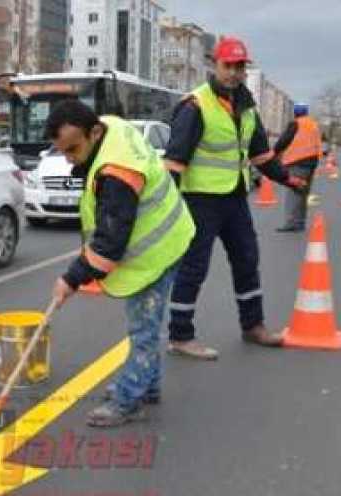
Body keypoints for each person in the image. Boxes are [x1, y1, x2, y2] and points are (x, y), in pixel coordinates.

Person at [47, 100, 196, 427]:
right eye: (64, 152)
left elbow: (109, 244)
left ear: (94, 132)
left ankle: (128, 400)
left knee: (143, 328)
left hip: (159, 250)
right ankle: (148, 385)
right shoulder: (111, 127)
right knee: (146, 323)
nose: (70, 158)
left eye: (74, 149)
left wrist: (71, 280)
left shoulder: (116, 174)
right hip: (169, 234)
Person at [163, 36, 307, 360]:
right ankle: (180, 335)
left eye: (240, 66)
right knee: (194, 267)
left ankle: (253, 325)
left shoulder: (247, 107)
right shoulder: (195, 105)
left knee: (247, 259)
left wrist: (286, 178)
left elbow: (259, 155)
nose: (234, 72)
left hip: (233, 196)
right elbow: (174, 161)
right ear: (215, 65)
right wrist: (165, 205)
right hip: (199, 200)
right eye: (228, 65)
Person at [274, 102, 322, 232]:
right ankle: (300, 222)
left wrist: (273, 153)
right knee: (303, 193)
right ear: (306, 112)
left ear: (295, 113)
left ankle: (291, 223)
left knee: (293, 193)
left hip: (297, 161)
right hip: (312, 162)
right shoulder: (313, 124)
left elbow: (284, 141)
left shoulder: (296, 123)